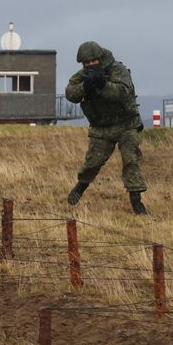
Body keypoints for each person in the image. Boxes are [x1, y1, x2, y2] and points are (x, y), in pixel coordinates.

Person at [63, 41, 148, 215]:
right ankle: (79, 189)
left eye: (93, 61)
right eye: (86, 63)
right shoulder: (82, 76)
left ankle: (137, 203)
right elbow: (70, 93)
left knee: (131, 161)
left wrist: (103, 85)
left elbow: (122, 93)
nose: (90, 65)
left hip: (127, 125)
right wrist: (86, 86)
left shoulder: (118, 70)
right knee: (92, 164)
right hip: (101, 128)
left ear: (100, 58)